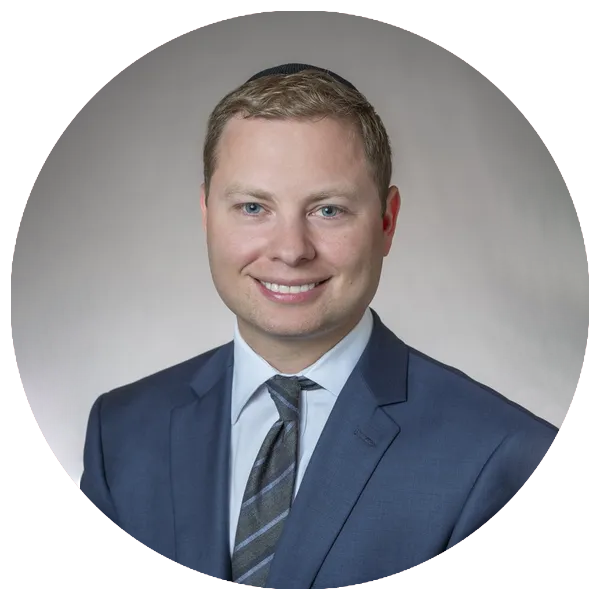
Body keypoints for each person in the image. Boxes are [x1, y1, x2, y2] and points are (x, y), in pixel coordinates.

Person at [80, 63, 559, 588]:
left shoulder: (507, 456)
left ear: (387, 222)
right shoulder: (121, 432)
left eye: (328, 210)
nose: (291, 250)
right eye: (253, 207)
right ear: (206, 214)